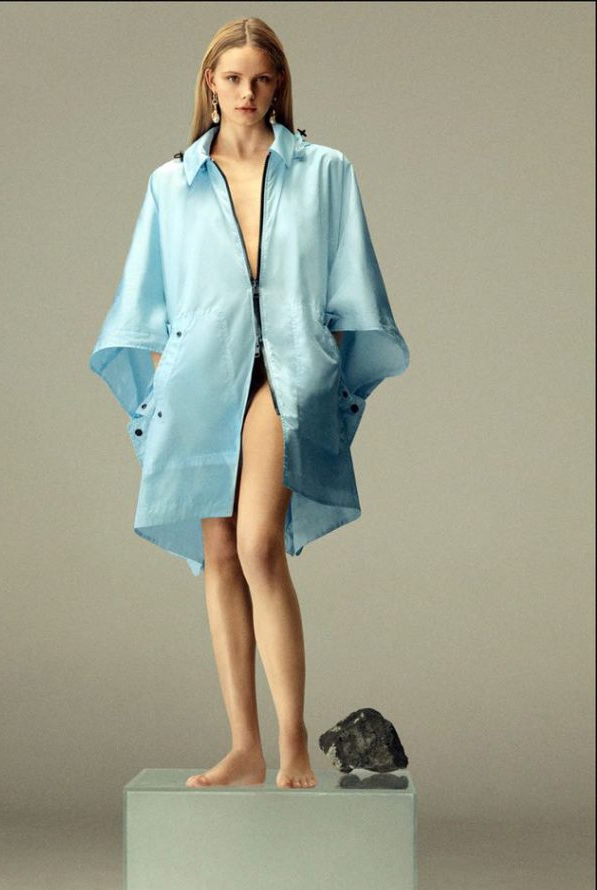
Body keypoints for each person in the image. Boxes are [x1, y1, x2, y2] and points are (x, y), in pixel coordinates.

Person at [90, 17, 410, 790]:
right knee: (220, 553)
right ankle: (244, 746)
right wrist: (166, 385)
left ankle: (292, 740)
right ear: (210, 82)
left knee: (259, 546)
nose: (246, 92)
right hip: (200, 379)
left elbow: (353, 284)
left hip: (288, 373)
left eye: (260, 79)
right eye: (232, 78)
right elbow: (146, 298)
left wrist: (329, 371)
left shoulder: (324, 171)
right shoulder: (172, 182)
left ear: (278, 84)